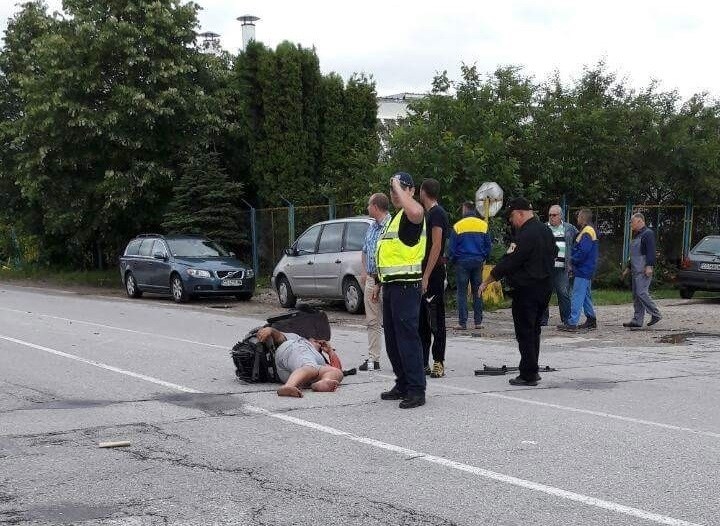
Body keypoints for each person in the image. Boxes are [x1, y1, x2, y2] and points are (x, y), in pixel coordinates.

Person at [478, 198, 557, 386]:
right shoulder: (546, 230)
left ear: (520, 213)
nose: (511, 221)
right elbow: (554, 252)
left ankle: (528, 374)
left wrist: (487, 281)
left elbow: (510, 262)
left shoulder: (525, 234)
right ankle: (533, 369)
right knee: (535, 330)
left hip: (526, 290)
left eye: (512, 216)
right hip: (544, 288)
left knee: (525, 332)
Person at [376, 172, 427, 408]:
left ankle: (416, 389)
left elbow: (416, 211)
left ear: (412, 191)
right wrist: (379, 282)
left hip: (406, 286)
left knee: (407, 339)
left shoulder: (412, 214)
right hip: (392, 285)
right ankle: (403, 383)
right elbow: (389, 255)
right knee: (393, 340)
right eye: (392, 190)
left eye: (400, 188)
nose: (395, 193)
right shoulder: (396, 218)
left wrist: (397, 185)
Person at [418, 178, 449, 379]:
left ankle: (439, 361)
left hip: (434, 274)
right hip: (423, 272)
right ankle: (423, 362)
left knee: (435, 319)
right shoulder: (426, 214)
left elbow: (436, 246)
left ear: (423, 192)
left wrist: (426, 275)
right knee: (422, 320)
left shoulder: (437, 213)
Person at [256, 327, 344, 398]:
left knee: (336, 372)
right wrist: (271, 330)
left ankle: (324, 381)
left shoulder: (317, 358)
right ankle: (288, 386)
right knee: (309, 367)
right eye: (316, 341)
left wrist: (330, 352)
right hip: (289, 354)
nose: (319, 343)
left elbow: (337, 369)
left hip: (300, 374)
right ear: (310, 339)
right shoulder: (299, 340)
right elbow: (279, 337)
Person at [358, 192, 392, 371]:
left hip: (387, 280)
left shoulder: (391, 226)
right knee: (372, 320)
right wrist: (364, 271)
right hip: (371, 279)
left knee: (392, 320)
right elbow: (365, 250)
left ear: (376, 207)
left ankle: (399, 358)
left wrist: (380, 282)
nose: (367, 207)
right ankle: (373, 359)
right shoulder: (372, 227)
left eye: (369, 204)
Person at [448, 201, 492, 331]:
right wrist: (483, 257)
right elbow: (488, 246)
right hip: (478, 261)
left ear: (465, 209)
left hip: (462, 262)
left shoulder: (458, 226)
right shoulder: (483, 225)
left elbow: (452, 248)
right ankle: (478, 322)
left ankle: (462, 323)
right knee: (478, 291)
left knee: (462, 293)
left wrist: (454, 260)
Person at [558, 209, 599, 331]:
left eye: (579, 217)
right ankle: (591, 319)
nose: (577, 219)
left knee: (577, 295)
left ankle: (572, 322)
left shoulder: (587, 231)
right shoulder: (588, 230)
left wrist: (572, 260)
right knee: (585, 295)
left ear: (583, 218)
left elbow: (583, 251)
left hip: (583, 269)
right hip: (586, 268)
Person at [622, 212, 662, 327]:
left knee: (641, 293)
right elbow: (634, 254)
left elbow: (651, 251)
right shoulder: (637, 235)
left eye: (632, 222)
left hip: (643, 269)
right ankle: (637, 320)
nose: (631, 224)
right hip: (636, 269)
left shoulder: (648, 234)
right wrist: (628, 268)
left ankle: (656, 314)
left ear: (640, 221)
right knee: (636, 295)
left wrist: (649, 266)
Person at [540, 205, 578, 326]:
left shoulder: (569, 228)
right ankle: (542, 319)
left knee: (563, 293)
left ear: (560, 216)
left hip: (562, 267)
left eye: (554, 215)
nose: (551, 217)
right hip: (546, 267)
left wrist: (573, 258)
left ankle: (566, 319)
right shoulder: (544, 228)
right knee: (544, 293)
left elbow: (578, 240)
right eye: (550, 215)